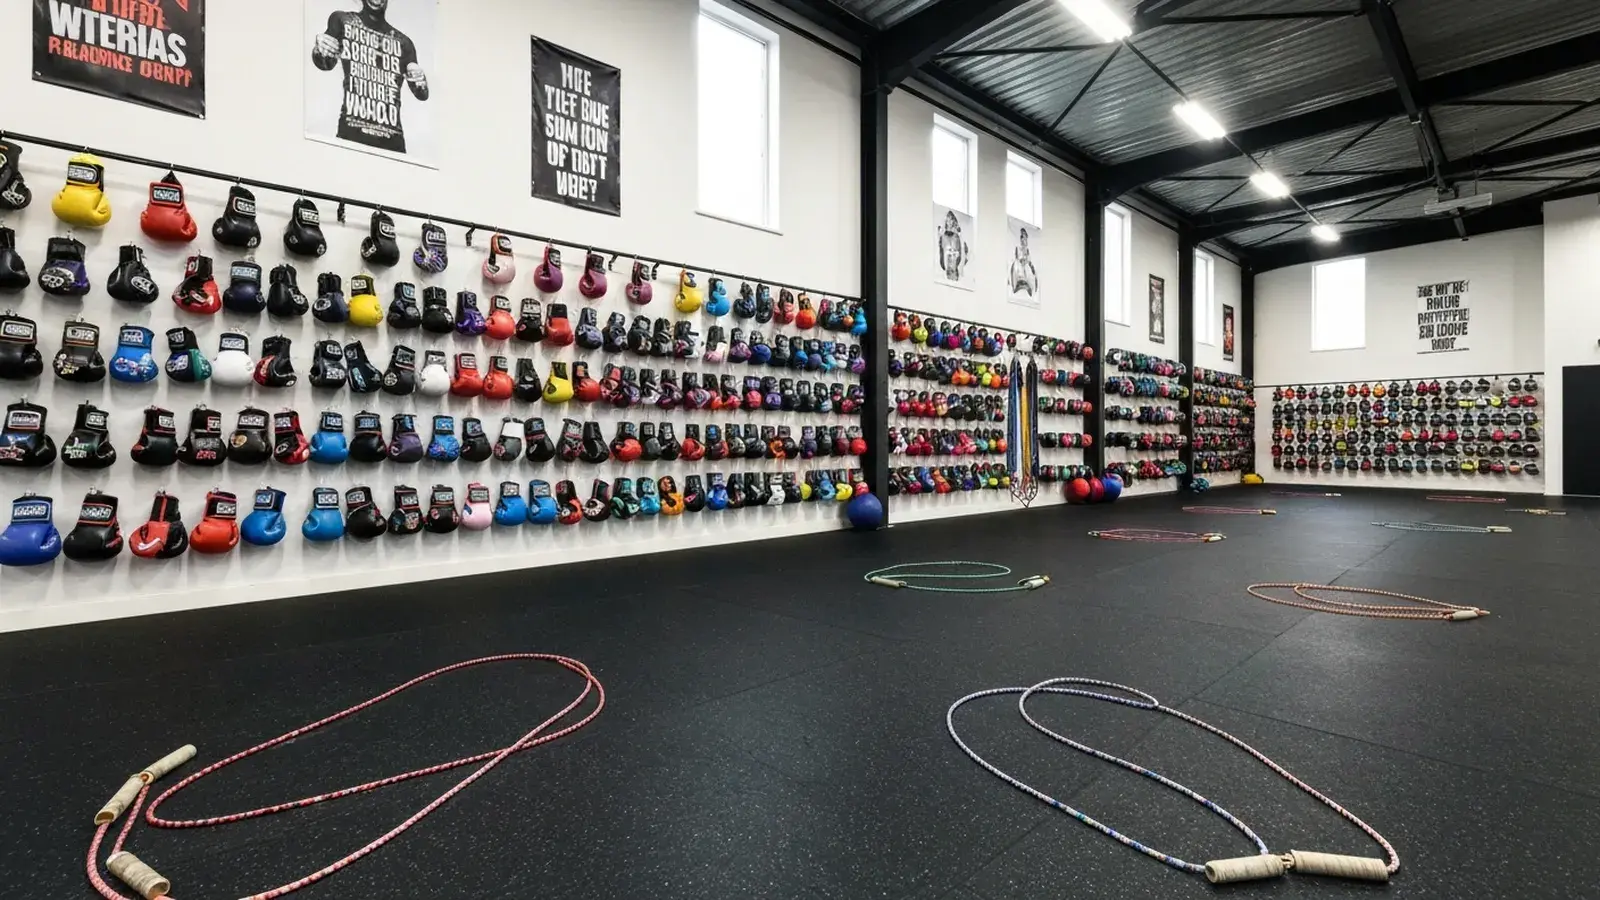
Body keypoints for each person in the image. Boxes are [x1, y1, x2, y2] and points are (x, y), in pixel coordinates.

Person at [312, 0, 430, 154]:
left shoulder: (404, 43)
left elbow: (422, 94)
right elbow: (325, 62)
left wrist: (421, 82)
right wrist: (319, 50)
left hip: (392, 143)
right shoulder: (342, 20)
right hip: (351, 135)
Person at [1009, 226, 1038, 296]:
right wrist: (1022, 260)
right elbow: (1017, 257)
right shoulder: (1018, 248)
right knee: (1018, 266)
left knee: (1028, 270)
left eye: (1025, 239)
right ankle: (1019, 283)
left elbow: (1029, 259)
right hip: (1019, 263)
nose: (1023, 240)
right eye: (1022, 238)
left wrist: (1028, 263)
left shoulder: (1027, 250)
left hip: (1025, 264)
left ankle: (1028, 285)